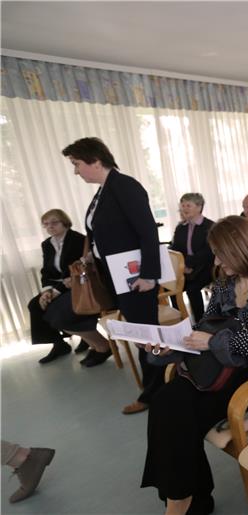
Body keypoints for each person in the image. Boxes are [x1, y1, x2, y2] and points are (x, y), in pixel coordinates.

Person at [141, 216, 248, 515]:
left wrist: (214, 344)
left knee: (179, 416)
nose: (216, 259)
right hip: (220, 371)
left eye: (220, 253)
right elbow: (205, 328)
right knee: (164, 402)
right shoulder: (225, 283)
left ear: (241, 249)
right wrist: (168, 347)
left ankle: (185, 502)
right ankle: (186, 498)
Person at [62, 137, 163, 412]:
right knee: (141, 333)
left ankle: (153, 394)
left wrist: (149, 275)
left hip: (137, 279)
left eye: (77, 164)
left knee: (145, 336)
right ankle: (159, 385)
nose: (76, 171)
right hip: (118, 276)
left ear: (95, 161)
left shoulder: (125, 186)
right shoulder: (104, 190)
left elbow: (148, 231)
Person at [28, 209, 89, 363]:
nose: (50, 227)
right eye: (46, 224)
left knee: (58, 306)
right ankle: (59, 344)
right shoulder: (47, 244)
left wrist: (56, 291)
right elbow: (46, 271)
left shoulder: (78, 240)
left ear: (64, 222)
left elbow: (75, 271)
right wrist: (46, 291)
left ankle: (86, 336)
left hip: (77, 283)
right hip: (56, 284)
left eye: (54, 222)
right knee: (35, 305)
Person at [168, 193, 215, 322]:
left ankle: (201, 322)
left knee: (192, 289)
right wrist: (181, 265)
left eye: (188, 205)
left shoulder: (210, 226)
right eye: (182, 205)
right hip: (184, 268)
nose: (184, 208)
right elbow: (175, 247)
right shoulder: (180, 227)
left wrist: (188, 264)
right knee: (171, 287)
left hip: (206, 268)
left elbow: (208, 252)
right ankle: (180, 320)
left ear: (199, 207)